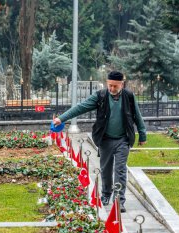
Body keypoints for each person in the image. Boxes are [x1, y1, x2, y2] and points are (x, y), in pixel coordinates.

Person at [53, 71, 146, 212]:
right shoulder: (100, 96)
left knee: (120, 170)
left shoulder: (129, 96)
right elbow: (81, 107)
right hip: (105, 139)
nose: (112, 88)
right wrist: (62, 118)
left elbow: (137, 116)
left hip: (123, 139)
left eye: (115, 86)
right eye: (110, 85)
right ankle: (106, 194)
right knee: (106, 170)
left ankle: (119, 201)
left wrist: (142, 135)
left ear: (122, 84)